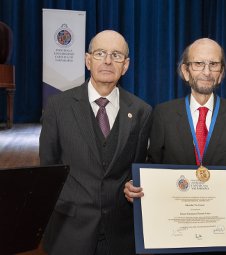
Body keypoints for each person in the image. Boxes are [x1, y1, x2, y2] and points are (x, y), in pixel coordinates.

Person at [124, 38, 226, 254]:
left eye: (214, 64)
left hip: (222, 237)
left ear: (222, 72)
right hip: (175, 236)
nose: (206, 71)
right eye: (198, 64)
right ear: (185, 71)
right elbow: (152, 167)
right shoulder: (163, 114)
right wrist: (136, 184)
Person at [39, 30, 152, 255]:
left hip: (121, 235)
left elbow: (136, 170)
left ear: (126, 65)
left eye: (116, 55)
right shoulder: (57, 107)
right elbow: (48, 171)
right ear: (88, 60)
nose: (108, 60)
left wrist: (133, 186)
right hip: (69, 232)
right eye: (100, 53)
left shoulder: (142, 111)